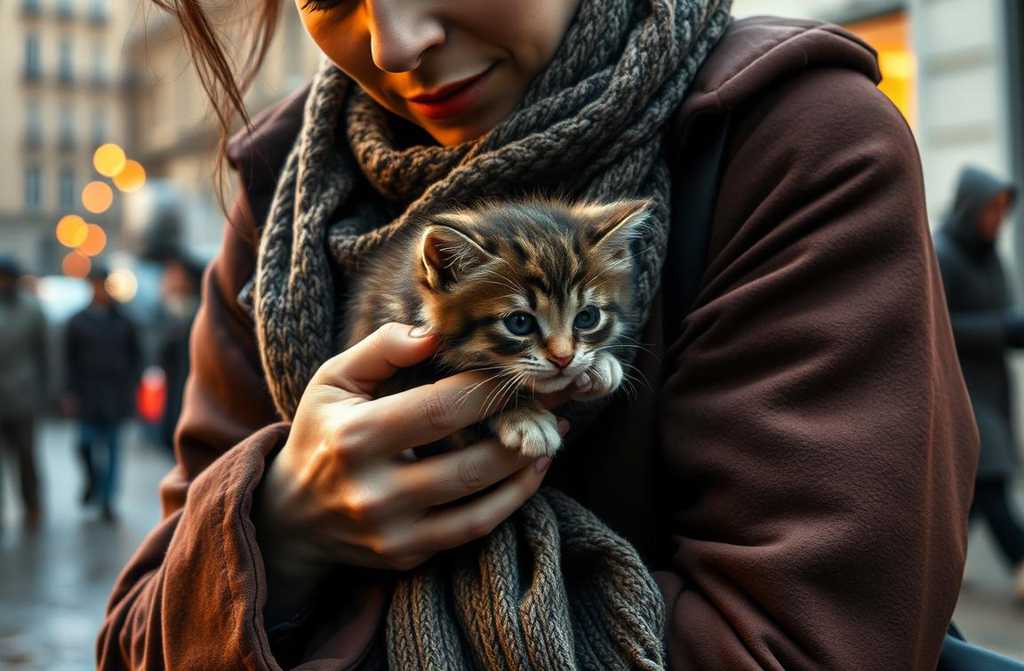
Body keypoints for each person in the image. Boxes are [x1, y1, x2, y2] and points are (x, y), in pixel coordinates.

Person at [99, 2, 978, 669]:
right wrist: (283, 527)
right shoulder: (285, 199)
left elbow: (806, 643)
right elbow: (140, 636)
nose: (397, 42)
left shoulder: (790, 141)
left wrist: (306, 611)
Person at [934, 165, 1024, 602]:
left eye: (1003, 211)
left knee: (971, 493)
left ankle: (935, 563)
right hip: (961, 391)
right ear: (971, 206)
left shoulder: (992, 258)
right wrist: (1003, 329)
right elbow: (935, 324)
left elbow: (1002, 317)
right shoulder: (941, 254)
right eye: (992, 209)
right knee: (991, 483)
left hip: (993, 388)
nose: (997, 220)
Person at [65, 264, 142, 523]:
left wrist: (131, 384)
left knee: (111, 450)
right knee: (85, 444)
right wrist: (69, 392)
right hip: (88, 393)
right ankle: (93, 482)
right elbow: (68, 360)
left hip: (115, 393)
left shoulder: (124, 320)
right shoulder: (77, 321)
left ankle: (107, 500)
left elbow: (136, 356)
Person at [0, 256, 47, 531]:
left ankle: (33, 505)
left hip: (23, 396)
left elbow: (45, 353)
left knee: (26, 457)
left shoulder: (32, 309)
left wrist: (47, 391)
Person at [157, 254, 203, 452]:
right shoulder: (168, 316)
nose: (167, 281)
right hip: (175, 412)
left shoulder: (199, 319)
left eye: (173, 275)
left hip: (193, 416)